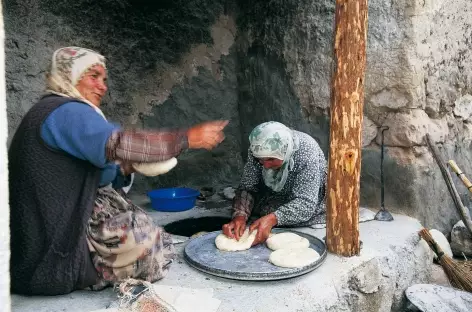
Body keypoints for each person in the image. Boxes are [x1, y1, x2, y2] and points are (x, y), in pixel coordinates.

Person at [8, 46, 228, 296]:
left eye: (104, 79)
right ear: (69, 75)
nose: (102, 86)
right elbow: (118, 143)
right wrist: (186, 138)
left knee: (149, 233)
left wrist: (127, 166)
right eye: (93, 76)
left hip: (42, 237)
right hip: (53, 245)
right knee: (144, 242)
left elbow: (98, 173)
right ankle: (86, 270)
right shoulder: (65, 111)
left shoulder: (55, 111)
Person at [222, 121, 327, 246]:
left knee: (287, 217)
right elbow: (248, 186)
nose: (265, 165)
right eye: (261, 160)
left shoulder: (306, 152)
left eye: (271, 159)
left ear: (285, 152)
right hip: (274, 194)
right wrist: (240, 215)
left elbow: (306, 203)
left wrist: (273, 218)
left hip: (308, 197)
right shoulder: (257, 148)